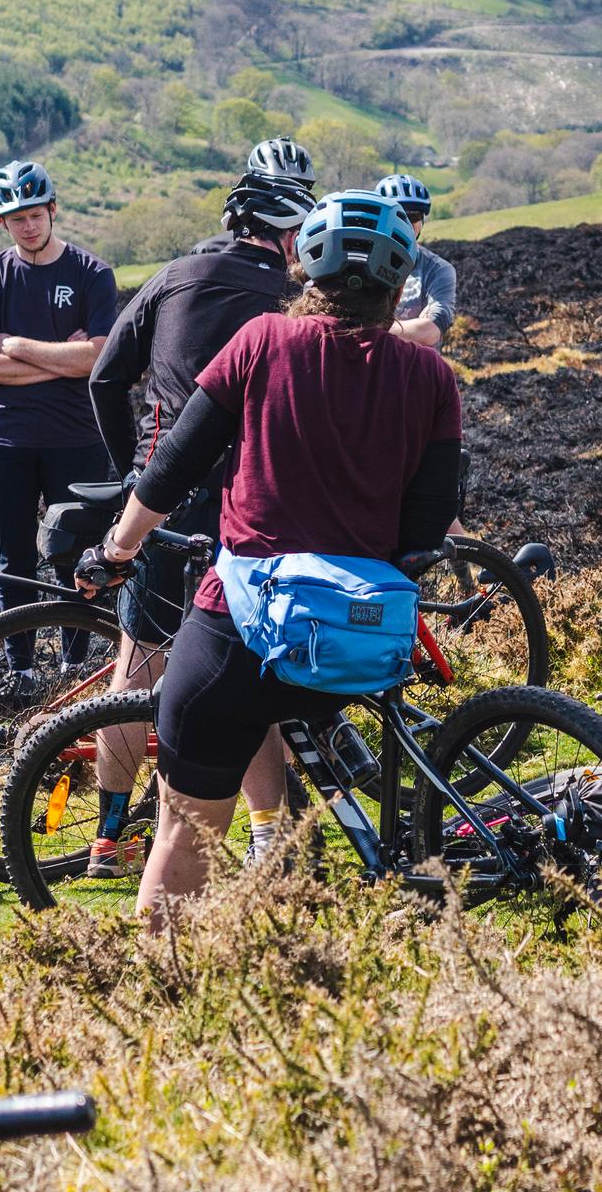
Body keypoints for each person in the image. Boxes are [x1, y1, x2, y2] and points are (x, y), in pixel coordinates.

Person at [77, 190, 461, 920]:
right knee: (299, 768)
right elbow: (427, 528)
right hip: (353, 641)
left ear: (307, 271)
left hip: (242, 628)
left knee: (184, 828)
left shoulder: (262, 341)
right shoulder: (432, 378)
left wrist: (116, 548)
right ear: (397, 282)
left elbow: (172, 467)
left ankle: (160, 1001)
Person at [82, 165, 315, 874]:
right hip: (248, 496)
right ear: (282, 235)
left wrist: (137, 472)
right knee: (248, 671)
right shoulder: (289, 297)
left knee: (137, 671)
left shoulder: (174, 274)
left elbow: (103, 377)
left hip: (162, 495)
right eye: (299, 233)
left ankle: (111, 837)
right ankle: (268, 840)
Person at [0, 159, 118, 680]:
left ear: (53, 209)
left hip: (76, 437)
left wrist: (20, 349)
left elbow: (97, 358)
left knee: (75, 553)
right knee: (14, 559)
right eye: (15, 218)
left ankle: (75, 662)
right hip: (5, 440)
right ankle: (21, 669)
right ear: (1, 223)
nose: (27, 226)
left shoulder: (92, 274)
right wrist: (59, 361)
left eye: (34, 214)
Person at [376, 174, 457, 348]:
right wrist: (411, 327)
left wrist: (367, 330)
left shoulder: (438, 269)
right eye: (400, 215)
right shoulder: (359, 262)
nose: (408, 223)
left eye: (414, 216)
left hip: (417, 372)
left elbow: (429, 332)